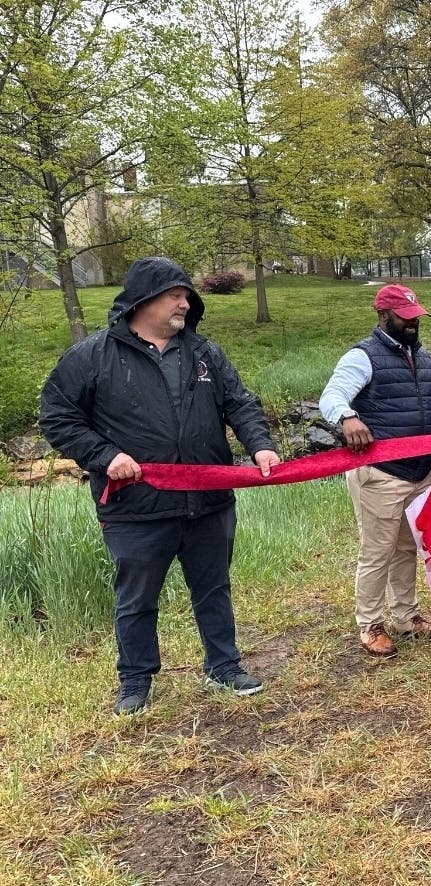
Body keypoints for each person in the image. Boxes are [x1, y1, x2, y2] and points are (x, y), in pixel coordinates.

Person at [38, 256, 282, 716]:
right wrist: (105, 456)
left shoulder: (205, 354)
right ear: (144, 299)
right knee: (137, 597)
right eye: (175, 295)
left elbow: (240, 403)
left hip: (208, 501)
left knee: (213, 587)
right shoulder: (92, 356)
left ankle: (224, 666)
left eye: (187, 295)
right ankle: (135, 679)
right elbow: (57, 417)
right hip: (136, 507)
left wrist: (260, 446)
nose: (185, 303)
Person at [318, 284, 431, 656]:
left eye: (416, 317)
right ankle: (370, 624)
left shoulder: (426, 359)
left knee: (406, 547)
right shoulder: (362, 357)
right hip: (379, 472)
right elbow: (331, 397)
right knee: (377, 551)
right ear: (384, 316)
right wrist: (348, 418)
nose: (413, 323)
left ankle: (406, 615)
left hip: (419, 472)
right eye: (405, 317)